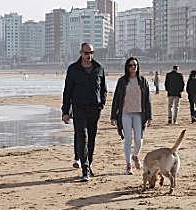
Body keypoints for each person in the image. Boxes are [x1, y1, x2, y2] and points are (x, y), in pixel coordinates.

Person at [61, 43, 107, 182]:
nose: (89, 56)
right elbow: (67, 91)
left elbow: (103, 88)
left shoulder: (99, 68)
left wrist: (102, 103)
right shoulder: (73, 69)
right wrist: (65, 111)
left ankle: (89, 164)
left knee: (92, 139)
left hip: (94, 108)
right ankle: (85, 169)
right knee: (82, 137)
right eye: (86, 53)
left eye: (91, 53)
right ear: (81, 53)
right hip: (79, 108)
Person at [110, 57, 152, 175]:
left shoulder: (143, 81)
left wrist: (149, 116)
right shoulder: (122, 81)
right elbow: (116, 98)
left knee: (139, 140)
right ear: (127, 67)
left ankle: (135, 155)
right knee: (128, 139)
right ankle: (128, 165)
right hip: (125, 113)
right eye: (130, 65)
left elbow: (148, 99)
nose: (133, 67)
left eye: (135, 65)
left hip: (139, 114)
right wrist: (113, 116)